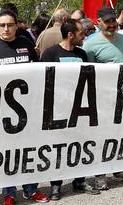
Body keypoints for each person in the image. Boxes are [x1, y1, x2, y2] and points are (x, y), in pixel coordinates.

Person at [0, 7, 49, 205]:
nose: (6, 29)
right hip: (2, 112)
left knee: (29, 151)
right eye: (2, 25)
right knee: (8, 154)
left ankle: (31, 189)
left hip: (28, 109)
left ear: (17, 25)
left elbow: (37, 73)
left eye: (10, 25)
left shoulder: (27, 45)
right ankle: (9, 192)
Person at [39, 19, 106, 193]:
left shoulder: (82, 54)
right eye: (81, 33)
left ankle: (80, 180)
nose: (84, 36)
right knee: (59, 147)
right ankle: (56, 184)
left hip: (80, 109)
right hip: (58, 109)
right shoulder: (50, 54)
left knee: (81, 144)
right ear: (70, 35)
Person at [82, 7, 123, 185]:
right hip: (101, 98)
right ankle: (100, 174)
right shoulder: (90, 44)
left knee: (122, 134)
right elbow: (86, 72)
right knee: (102, 135)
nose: (112, 25)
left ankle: (120, 169)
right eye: (107, 22)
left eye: (113, 21)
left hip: (122, 96)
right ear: (98, 22)